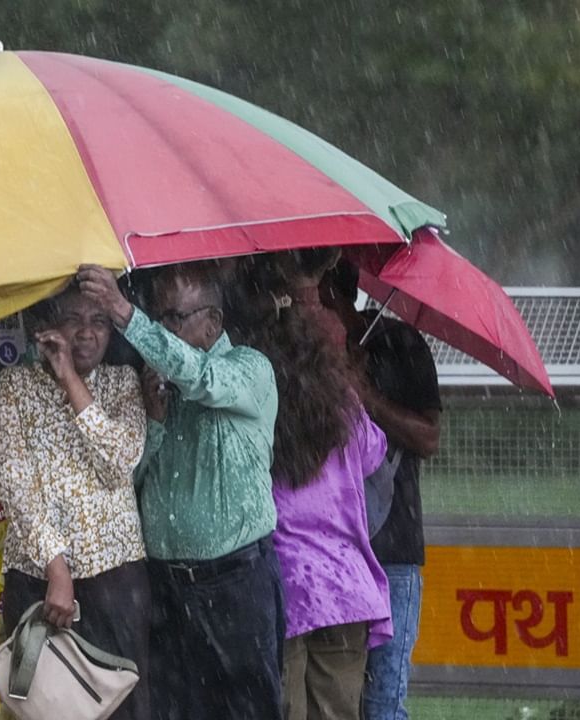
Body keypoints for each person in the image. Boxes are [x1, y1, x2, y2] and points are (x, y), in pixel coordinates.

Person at [76, 262, 284, 720]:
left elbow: (201, 378)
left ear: (213, 323)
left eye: (174, 319)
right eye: (159, 316)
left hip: (234, 583)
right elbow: (129, 480)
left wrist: (125, 313)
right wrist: (154, 421)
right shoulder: (157, 385)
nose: (162, 330)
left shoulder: (247, 370)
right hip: (168, 587)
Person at [238, 251, 392, 720]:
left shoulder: (254, 392)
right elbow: (374, 453)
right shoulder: (341, 396)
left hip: (285, 584)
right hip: (345, 586)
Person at [0, 283, 151, 720]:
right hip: (39, 583)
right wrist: (55, 567)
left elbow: (119, 461)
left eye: (99, 321)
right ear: (46, 328)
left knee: (123, 706)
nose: (87, 333)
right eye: (74, 320)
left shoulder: (121, 384)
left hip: (116, 581)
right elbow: (15, 483)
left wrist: (71, 381)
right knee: (45, 708)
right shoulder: (14, 388)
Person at [321, 259, 442, 720]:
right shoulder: (302, 350)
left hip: (391, 547)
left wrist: (365, 397)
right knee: (332, 696)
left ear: (333, 293)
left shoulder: (401, 345)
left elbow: (428, 437)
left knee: (383, 700)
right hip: (325, 552)